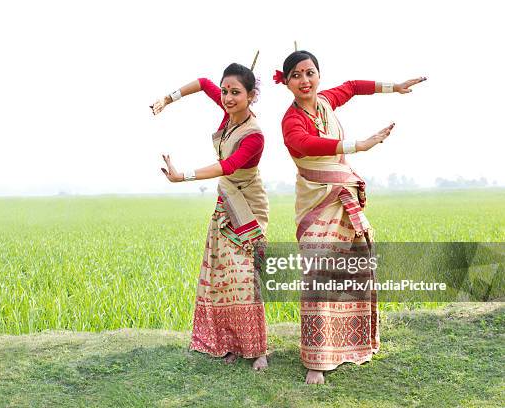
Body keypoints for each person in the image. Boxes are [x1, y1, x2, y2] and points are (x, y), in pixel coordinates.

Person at [273, 50, 426, 384]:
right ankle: (317, 359)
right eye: (296, 75)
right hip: (316, 203)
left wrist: (394, 86)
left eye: (309, 72)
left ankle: (349, 346)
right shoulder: (290, 119)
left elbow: (354, 86)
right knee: (317, 274)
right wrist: (360, 144)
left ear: (318, 75)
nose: (304, 80)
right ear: (286, 82)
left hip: (342, 197)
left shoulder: (326, 100)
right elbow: (305, 144)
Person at [151, 61, 269, 370]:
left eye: (236, 93)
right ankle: (230, 343)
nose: (228, 98)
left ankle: (258, 350)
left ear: (252, 95)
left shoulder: (254, 135)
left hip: (247, 204)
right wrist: (168, 98)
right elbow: (204, 82)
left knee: (245, 276)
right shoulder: (228, 112)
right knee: (223, 274)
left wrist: (182, 176)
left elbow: (227, 167)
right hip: (225, 200)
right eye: (226, 92)